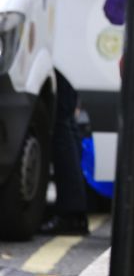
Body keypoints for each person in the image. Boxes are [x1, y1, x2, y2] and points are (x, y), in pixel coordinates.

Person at [38, 73, 89, 236]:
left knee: (61, 121)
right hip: (70, 56)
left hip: (62, 53)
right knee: (66, 121)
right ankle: (75, 207)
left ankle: (71, 211)